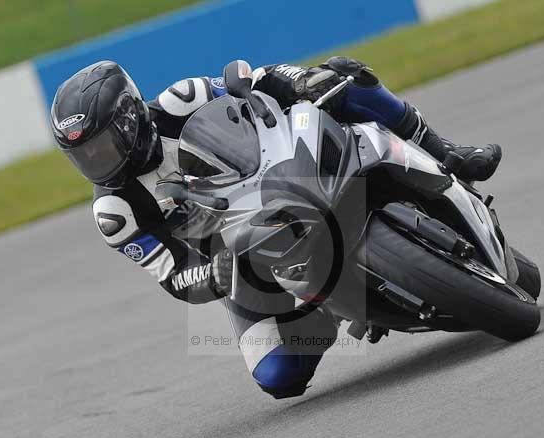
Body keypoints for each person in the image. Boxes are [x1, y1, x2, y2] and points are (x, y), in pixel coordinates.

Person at [50, 57, 503, 399]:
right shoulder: (115, 211)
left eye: (102, 147)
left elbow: (258, 78)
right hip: (245, 260)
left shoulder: (182, 100)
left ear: (129, 118)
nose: (96, 164)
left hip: (282, 172)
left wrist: (298, 81)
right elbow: (172, 274)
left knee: (343, 74)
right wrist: (212, 275)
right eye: (83, 157)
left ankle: (447, 153)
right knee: (278, 378)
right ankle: (326, 310)